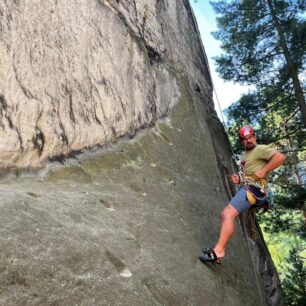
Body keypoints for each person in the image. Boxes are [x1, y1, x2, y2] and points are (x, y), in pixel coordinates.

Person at [199, 126, 286, 264]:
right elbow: (251, 173)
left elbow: (280, 157)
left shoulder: (260, 149)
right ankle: (219, 253)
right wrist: (239, 179)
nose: (248, 140)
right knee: (225, 214)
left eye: (250, 137)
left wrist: (264, 170)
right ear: (242, 141)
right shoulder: (246, 155)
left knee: (228, 214)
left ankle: (219, 251)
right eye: (245, 139)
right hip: (247, 187)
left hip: (254, 189)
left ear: (254, 137)